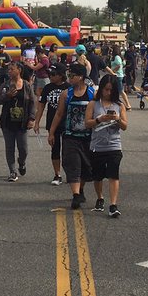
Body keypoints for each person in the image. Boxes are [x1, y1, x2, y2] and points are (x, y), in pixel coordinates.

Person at [49, 65, 96, 210]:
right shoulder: (66, 94)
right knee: (72, 164)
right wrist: (52, 132)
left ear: (81, 77)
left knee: (86, 167)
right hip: (70, 135)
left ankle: (80, 190)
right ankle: (75, 195)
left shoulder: (91, 93)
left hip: (87, 136)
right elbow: (59, 113)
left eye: (72, 75)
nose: (69, 78)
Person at [86, 74, 127, 217]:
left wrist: (117, 120)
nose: (108, 93)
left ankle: (113, 204)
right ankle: (100, 197)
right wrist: (99, 119)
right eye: (105, 90)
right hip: (97, 146)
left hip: (114, 145)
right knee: (97, 176)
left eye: (111, 90)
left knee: (113, 175)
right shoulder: (93, 104)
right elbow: (87, 123)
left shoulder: (119, 105)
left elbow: (125, 126)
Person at [0, 60, 37, 181]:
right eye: (9, 69)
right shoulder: (6, 85)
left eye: (12, 69)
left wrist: (32, 118)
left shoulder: (27, 85)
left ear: (19, 70)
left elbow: (33, 103)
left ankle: (21, 162)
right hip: (8, 122)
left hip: (22, 123)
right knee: (10, 148)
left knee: (23, 149)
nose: (9, 71)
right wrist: (7, 96)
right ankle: (12, 171)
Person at [35, 64, 68, 186]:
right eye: (49, 74)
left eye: (53, 74)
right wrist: (37, 122)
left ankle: (70, 173)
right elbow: (41, 106)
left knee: (68, 150)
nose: (51, 76)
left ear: (61, 75)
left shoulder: (68, 87)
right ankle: (57, 174)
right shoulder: (48, 88)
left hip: (67, 123)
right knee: (55, 149)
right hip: (52, 123)